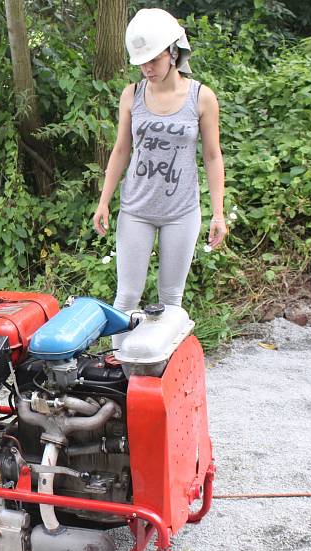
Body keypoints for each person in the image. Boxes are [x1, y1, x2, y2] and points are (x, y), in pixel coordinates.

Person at [92, 8, 227, 337]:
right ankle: (121, 371)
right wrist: (104, 201)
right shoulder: (132, 94)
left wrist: (218, 213)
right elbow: (121, 150)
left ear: (173, 51)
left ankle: (160, 370)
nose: (147, 68)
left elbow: (212, 156)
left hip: (181, 211)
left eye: (153, 59)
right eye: (141, 61)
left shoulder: (201, 97)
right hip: (136, 210)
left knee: (171, 300)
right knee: (126, 297)